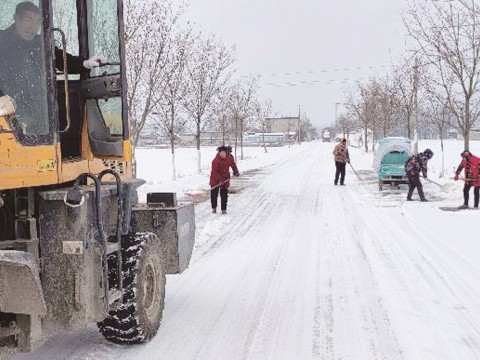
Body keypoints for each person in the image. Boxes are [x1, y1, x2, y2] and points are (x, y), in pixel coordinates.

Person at [0, 1, 105, 134]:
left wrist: (85, 64)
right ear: (16, 18)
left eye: (37, 22)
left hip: (38, 109)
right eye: (29, 20)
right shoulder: (2, 41)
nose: (33, 27)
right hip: (7, 112)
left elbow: (60, 59)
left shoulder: (40, 44)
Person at [209, 145, 239, 214]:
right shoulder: (215, 161)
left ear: (226, 152)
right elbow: (214, 172)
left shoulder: (229, 158)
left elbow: (233, 165)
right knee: (214, 195)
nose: (222, 154)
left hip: (225, 179)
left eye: (224, 152)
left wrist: (236, 171)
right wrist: (220, 180)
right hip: (215, 179)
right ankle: (214, 208)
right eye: (220, 152)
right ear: (219, 152)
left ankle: (224, 209)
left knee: (224, 194)